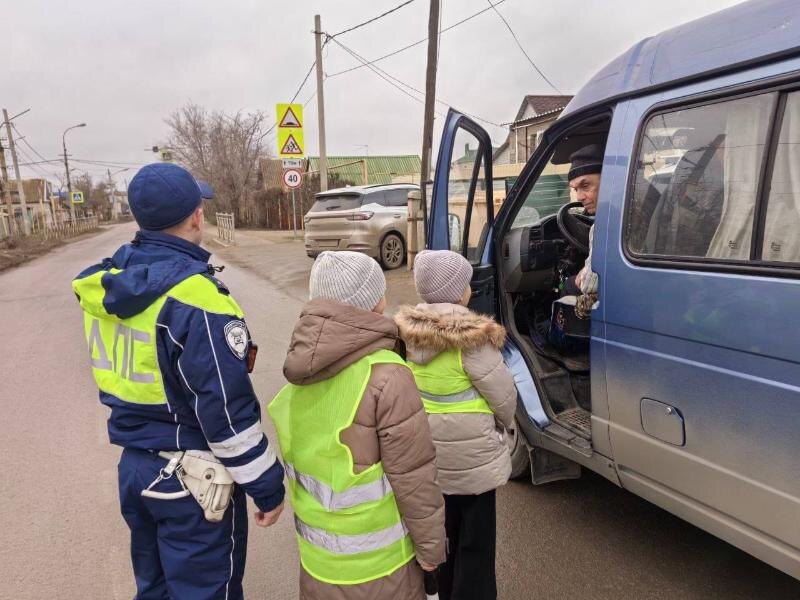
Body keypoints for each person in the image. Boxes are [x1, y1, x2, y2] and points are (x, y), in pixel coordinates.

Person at [72, 163, 285, 599]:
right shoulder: (197, 300)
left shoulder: (110, 286)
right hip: (192, 482)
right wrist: (266, 487)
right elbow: (225, 412)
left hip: (136, 469)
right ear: (196, 218)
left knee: (155, 589)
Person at [269, 251, 445, 600]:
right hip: (383, 570)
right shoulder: (388, 376)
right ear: (376, 302)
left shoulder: (299, 376)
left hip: (318, 567)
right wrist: (431, 551)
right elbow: (413, 479)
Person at [395, 249, 517, 600]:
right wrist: (504, 427)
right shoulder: (473, 341)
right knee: (476, 543)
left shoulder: (406, 337)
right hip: (474, 465)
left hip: (427, 460)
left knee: (442, 536)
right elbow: (504, 398)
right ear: (460, 293)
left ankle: (444, 591)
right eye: (467, 284)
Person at [567, 143, 604, 297]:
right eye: (576, 189)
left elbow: (588, 283)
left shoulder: (606, 225)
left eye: (586, 185)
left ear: (608, 179)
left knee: (569, 287)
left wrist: (575, 280)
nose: (579, 197)